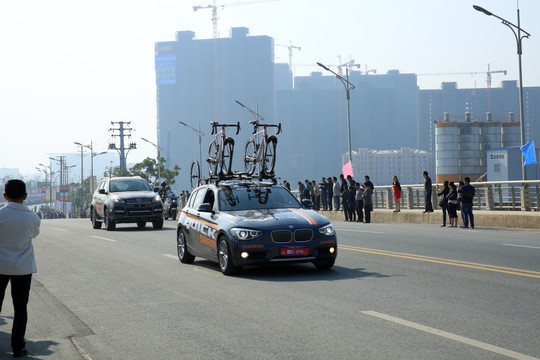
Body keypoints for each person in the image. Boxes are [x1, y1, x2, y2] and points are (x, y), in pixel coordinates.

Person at [0, 180, 41, 357]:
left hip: (0, 267)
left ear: (4, 195)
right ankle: (18, 346)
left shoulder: (1, 215)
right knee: (20, 308)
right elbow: (34, 234)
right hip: (23, 269)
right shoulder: (32, 217)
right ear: (25, 196)